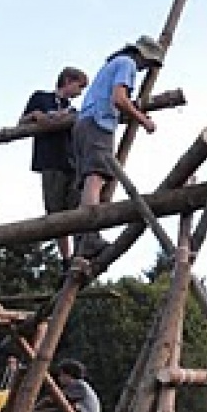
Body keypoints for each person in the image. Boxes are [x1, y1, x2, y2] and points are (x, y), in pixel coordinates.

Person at [72, 35, 164, 258]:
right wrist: (143, 120)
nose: (145, 68)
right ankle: (90, 236)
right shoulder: (127, 64)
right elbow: (119, 99)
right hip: (98, 123)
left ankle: (83, 238)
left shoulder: (113, 64)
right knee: (96, 178)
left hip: (85, 123)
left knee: (90, 181)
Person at [19, 67, 89, 268]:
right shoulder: (41, 98)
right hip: (50, 162)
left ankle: (80, 252)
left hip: (72, 162)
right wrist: (37, 116)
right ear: (67, 81)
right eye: (79, 86)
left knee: (78, 207)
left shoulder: (72, 109)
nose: (80, 92)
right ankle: (66, 258)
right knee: (56, 211)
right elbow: (21, 122)